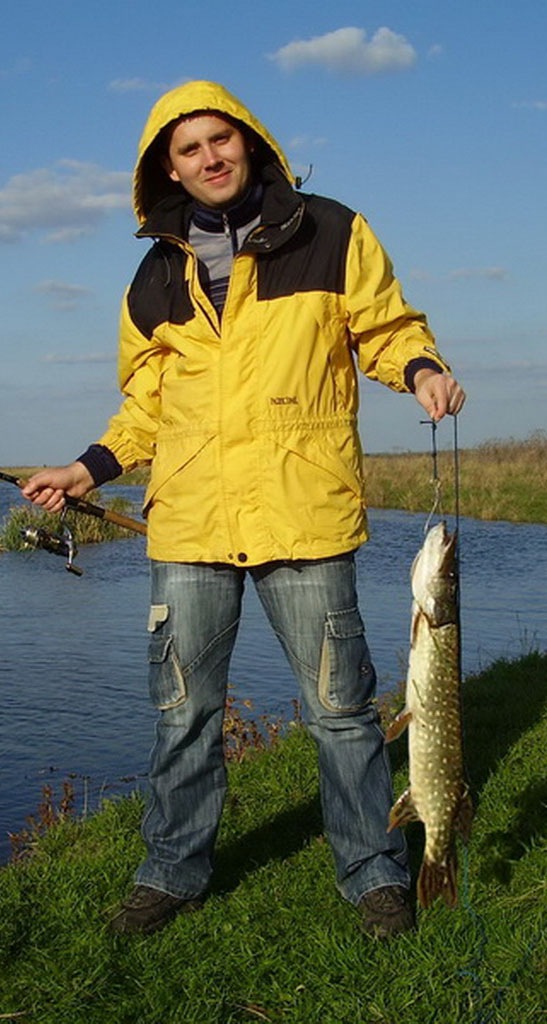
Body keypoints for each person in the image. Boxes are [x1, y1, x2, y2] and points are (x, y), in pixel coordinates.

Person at [23, 80, 465, 939]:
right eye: (187, 149)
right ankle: (170, 873)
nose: (208, 158)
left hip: (305, 511)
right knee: (183, 713)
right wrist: (87, 468)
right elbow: (147, 406)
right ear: (168, 170)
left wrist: (421, 369)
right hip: (189, 522)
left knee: (340, 711)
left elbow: (384, 329)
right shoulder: (154, 275)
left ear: (249, 142)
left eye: (219, 140)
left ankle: (373, 871)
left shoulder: (330, 230)